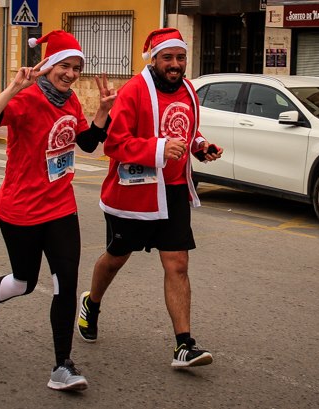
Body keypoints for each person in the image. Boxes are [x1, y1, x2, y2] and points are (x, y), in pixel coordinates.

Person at [0, 30, 116, 391]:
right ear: (49, 65)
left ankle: (62, 366)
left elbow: (87, 144)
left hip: (60, 206)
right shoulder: (27, 99)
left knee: (66, 284)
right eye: (65, 66)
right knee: (24, 282)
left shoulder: (70, 101)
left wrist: (102, 112)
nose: (71, 74)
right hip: (20, 208)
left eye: (77, 68)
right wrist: (14, 87)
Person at [77, 28, 222, 368]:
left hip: (173, 191)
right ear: (154, 59)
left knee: (177, 263)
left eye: (180, 57)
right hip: (134, 193)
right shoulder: (134, 91)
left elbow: (185, 130)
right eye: (168, 57)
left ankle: (184, 345)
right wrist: (159, 149)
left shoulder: (188, 91)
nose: (175, 64)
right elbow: (114, 144)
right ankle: (91, 303)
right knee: (116, 258)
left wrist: (200, 146)